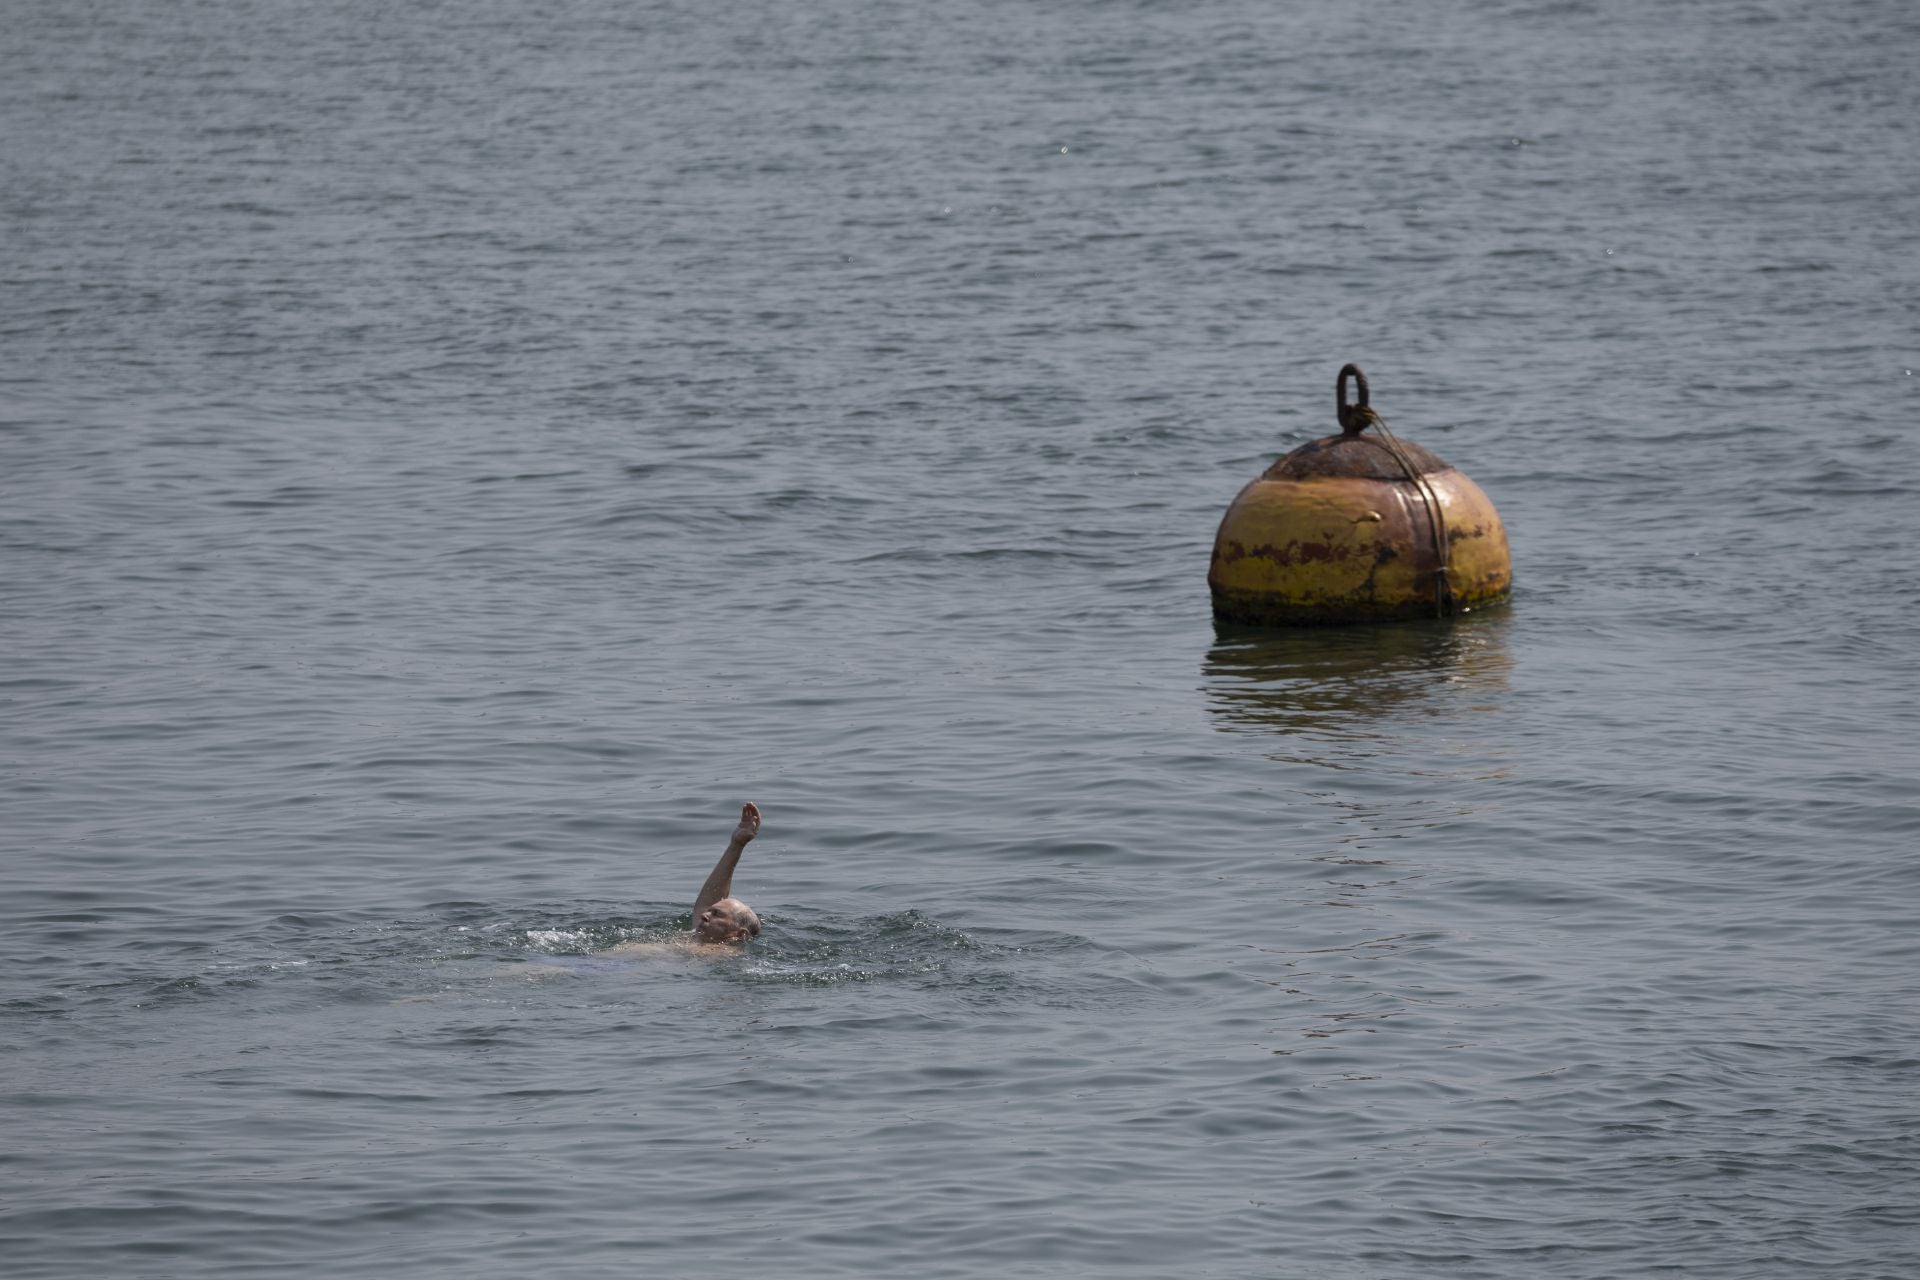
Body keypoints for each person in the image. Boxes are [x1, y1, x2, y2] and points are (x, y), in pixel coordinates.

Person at [599, 801, 762, 958]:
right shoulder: (698, 937)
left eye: (716, 914)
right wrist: (736, 844)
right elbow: (708, 899)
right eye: (710, 910)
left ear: (740, 934)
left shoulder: (725, 953)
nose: (705, 915)